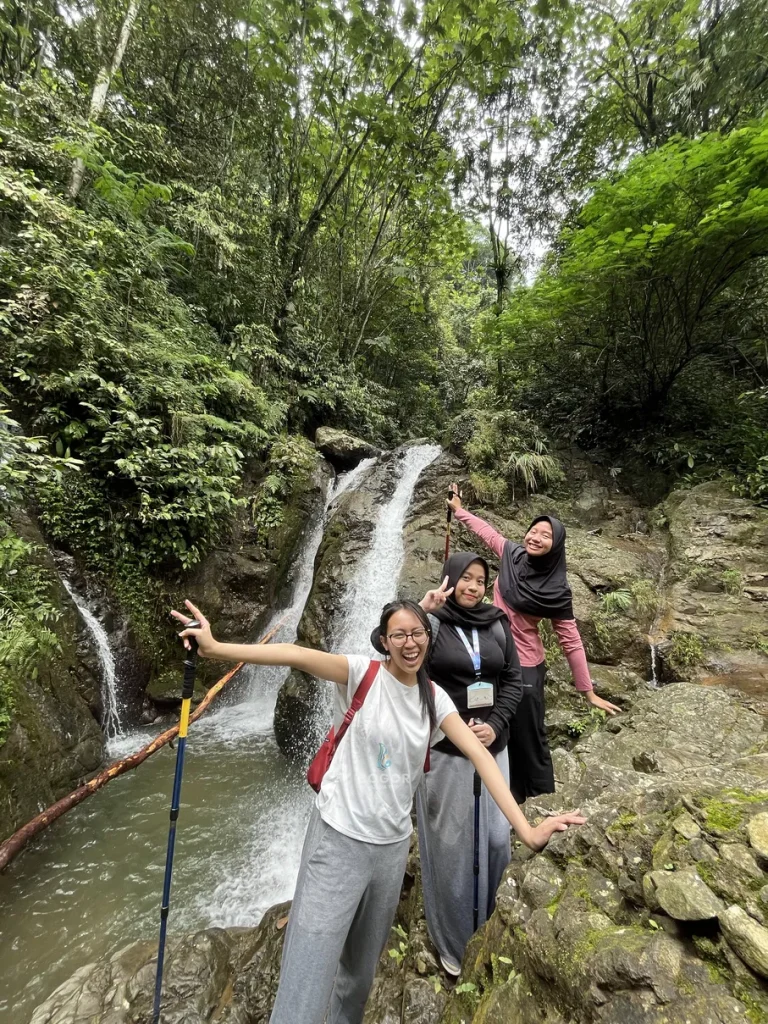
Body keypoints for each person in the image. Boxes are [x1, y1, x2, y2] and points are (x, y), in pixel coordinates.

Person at [173, 598, 585, 1024]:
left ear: (429, 637)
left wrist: (527, 829)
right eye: (399, 635)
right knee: (308, 975)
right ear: (385, 641)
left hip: (390, 850)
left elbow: (482, 758)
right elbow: (294, 655)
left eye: (418, 634)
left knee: (359, 980)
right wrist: (217, 648)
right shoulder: (360, 674)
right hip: (338, 840)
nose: (410, 644)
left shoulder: (434, 698)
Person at [446, 483, 621, 804]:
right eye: (533, 531)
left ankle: (536, 799)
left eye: (545, 535)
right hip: (490, 658)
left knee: (528, 734)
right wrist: (459, 512)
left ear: (555, 546)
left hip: (525, 666)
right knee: (493, 726)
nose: (535, 537)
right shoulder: (512, 555)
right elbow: (488, 533)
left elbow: (571, 641)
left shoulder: (557, 589)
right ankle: (495, 791)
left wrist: (588, 691)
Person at [415, 552, 524, 976]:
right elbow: (382, 644)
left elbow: (513, 679)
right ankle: (454, 942)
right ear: (450, 580)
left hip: (495, 749)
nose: (473, 587)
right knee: (452, 848)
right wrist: (423, 610)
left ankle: (490, 926)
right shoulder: (433, 623)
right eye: (466, 579)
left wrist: (495, 725)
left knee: (498, 840)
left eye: (480, 580)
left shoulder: (498, 623)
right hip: (446, 752)